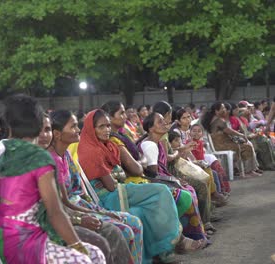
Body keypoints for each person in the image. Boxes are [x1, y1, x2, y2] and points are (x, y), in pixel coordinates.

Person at [0, 94, 105, 263]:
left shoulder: (7, 155)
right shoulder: (39, 159)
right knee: (88, 258)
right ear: (37, 125)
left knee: (95, 254)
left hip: (1, 239)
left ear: (10, 126)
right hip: (25, 243)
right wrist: (77, 246)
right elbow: (55, 213)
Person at [76, 109, 194, 263]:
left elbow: (118, 174)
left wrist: (119, 175)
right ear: (91, 129)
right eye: (101, 127)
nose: (107, 130)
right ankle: (175, 239)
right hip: (108, 197)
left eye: (107, 126)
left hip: (118, 189)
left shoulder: (107, 145)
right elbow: (111, 185)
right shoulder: (91, 150)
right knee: (161, 191)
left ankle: (157, 253)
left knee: (142, 211)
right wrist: (120, 175)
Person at [48, 110, 142, 264]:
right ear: (57, 134)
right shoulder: (51, 161)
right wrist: (96, 212)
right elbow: (63, 203)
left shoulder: (65, 155)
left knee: (134, 222)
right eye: (73, 127)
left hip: (82, 204)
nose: (78, 130)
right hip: (72, 210)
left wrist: (99, 210)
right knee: (122, 229)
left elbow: (79, 191)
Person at [139, 112, 209, 245]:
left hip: (162, 179)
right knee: (186, 192)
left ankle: (190, 234)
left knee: (189, 189)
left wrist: (173, 179)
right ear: (151, 128)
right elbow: (153, 175)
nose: (165, 123)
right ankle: (181, 235)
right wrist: (174, 181)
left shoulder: (157, 142)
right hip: (154, 183)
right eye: (160, 121)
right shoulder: (150, 145)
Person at [201, 102, 261, 177]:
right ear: (216, 111)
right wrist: (241, 135)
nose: (224, 110)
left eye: (224, 108)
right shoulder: (219, 121)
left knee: (244, 145)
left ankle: (244, 170)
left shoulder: (213, 119)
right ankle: (248, 171)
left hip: (221, 144)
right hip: (222, 145)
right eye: (222, 108)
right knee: (247, 147)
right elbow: (229, 131)